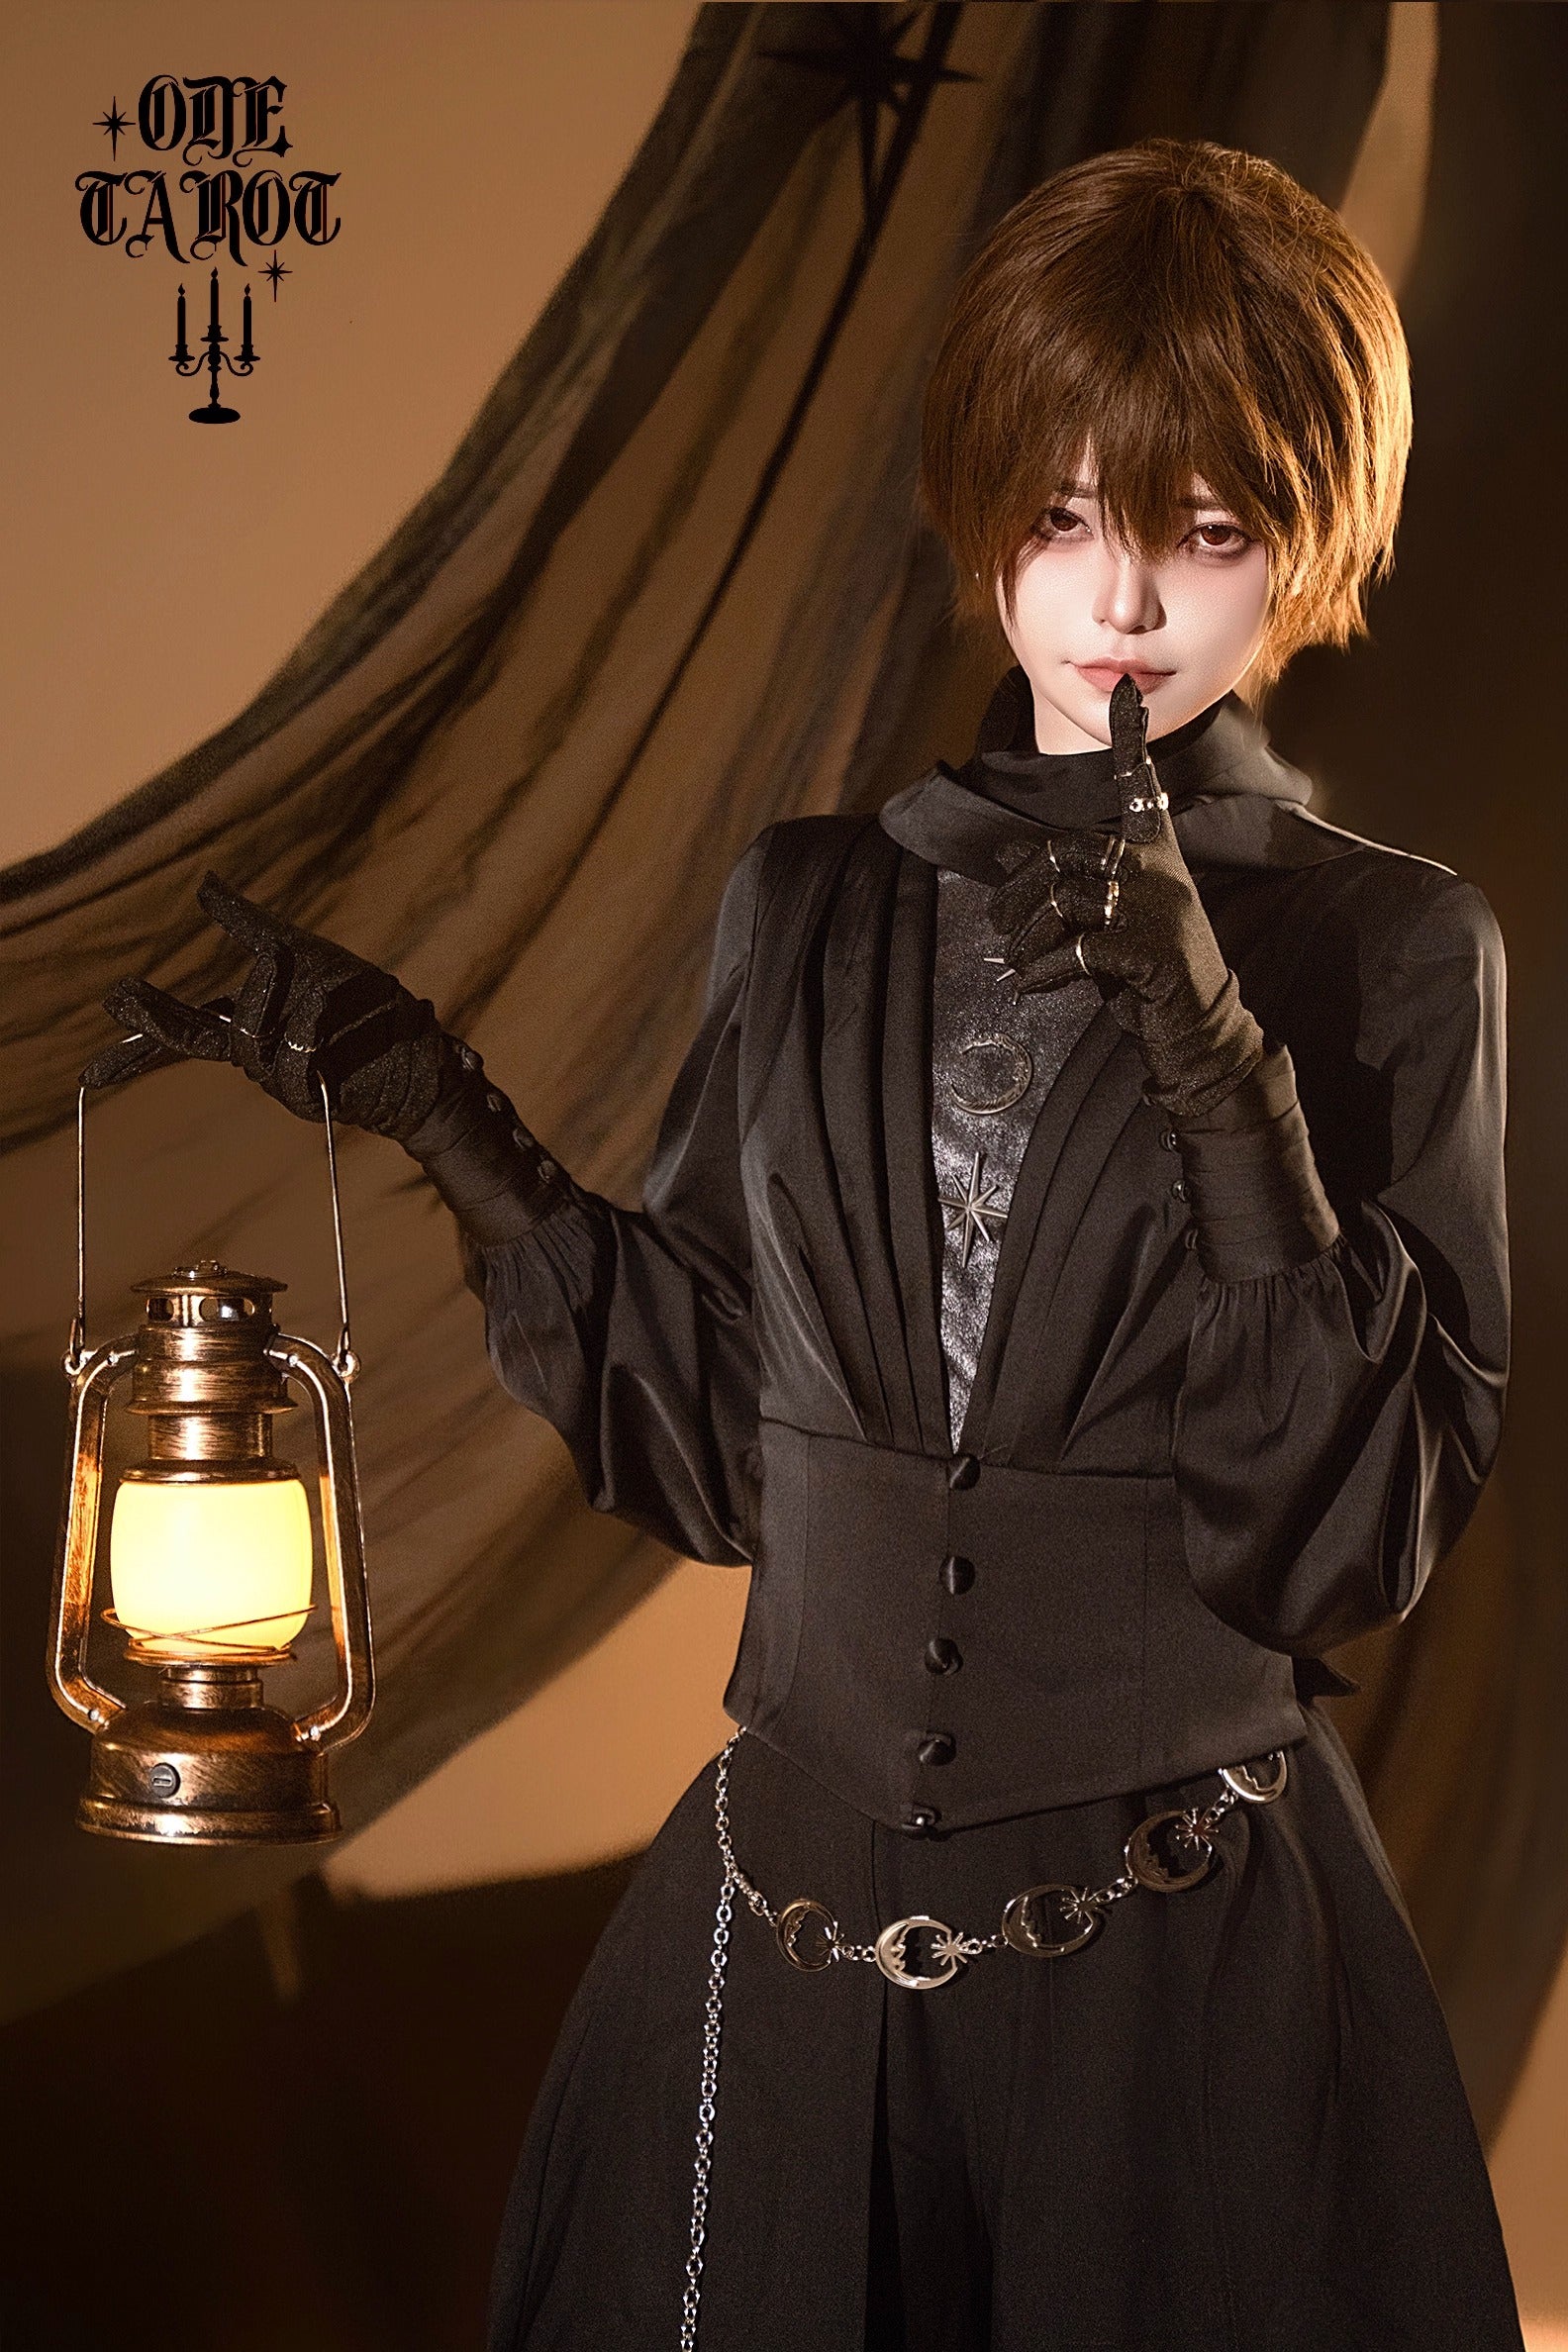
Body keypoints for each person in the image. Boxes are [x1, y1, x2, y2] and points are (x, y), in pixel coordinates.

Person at [95, 140, 1522, 2350]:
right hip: (780, 1952)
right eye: (1064, 515)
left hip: (1181, 1978)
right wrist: (440, 1113)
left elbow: (1342, 1528)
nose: (1120, 601)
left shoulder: (1392, 953)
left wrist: (1212, 1052)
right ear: (986, 513)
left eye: (1204, 531)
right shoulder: (817, 904)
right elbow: (719, 1446)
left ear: (1308, 541)